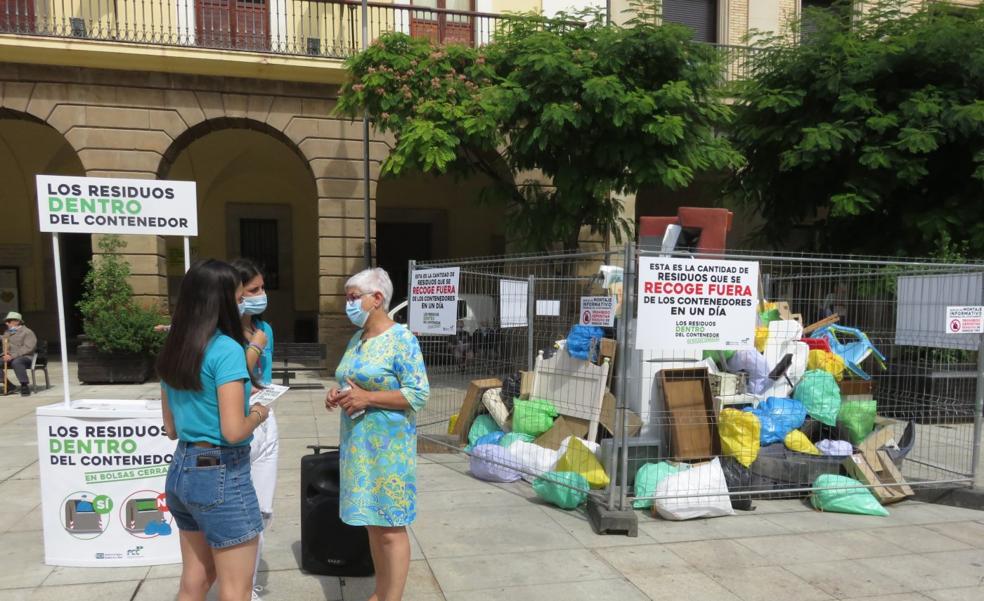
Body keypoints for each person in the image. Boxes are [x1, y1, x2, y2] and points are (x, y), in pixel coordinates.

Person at [157, 259, 270, 601]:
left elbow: (171, 427)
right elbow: (234, 430)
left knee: (195, 579)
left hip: (181, 470)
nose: (242, 304)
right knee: (236, 588)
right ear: (221, 301)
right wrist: (259, 414)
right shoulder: (227, 350)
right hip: (221, 472)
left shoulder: (174, 345)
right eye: (238, 297)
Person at [325, 268, 429, 601]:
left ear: (377, 298)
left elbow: (418, 394)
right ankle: (380, 592)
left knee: (390, 529)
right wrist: (338, 394)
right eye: (347, 298)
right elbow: (351, 380)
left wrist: (367, 398)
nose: (349, 304)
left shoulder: (402, 340)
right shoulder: (358, 340)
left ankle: (391, 597)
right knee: (372, 523)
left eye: (354, 297)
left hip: (388, 453)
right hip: (358, 449)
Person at [231, 258, 278, 601]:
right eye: (253, 290)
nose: (261, 295)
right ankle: (238, 587)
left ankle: (248, 585)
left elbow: (261, 376)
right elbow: (240, 375)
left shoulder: (264, 327)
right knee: (240, 511)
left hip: (266, 416)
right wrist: (254, 345)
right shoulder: (224, 333)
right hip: (239, 421)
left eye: (263, 288)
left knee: (263, 509)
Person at [2, 312, 37, 396]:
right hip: (9, 356)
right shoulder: (8, 332)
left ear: (17, 321)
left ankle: (24, 385)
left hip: (25, 357)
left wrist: (12, 356)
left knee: (17, 362)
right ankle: (9, 385)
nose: (6, 323)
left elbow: (28, 348)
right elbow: (5, 344)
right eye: (6, 321)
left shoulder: (28, 332)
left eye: (8, 321)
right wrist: (6, 354)